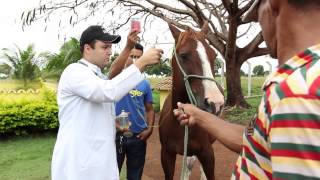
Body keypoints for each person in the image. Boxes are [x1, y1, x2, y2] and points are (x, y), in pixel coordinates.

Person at [174, 0, 320, 179]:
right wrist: (198, 115)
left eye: (258, 18)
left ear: (274, 4)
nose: (261, 27)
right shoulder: (302, 79)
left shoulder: (296, 92)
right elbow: (257, 139)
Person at [51, 25, 163, 180]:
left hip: (98, 161)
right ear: (87, 48)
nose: (109, 51)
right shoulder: (75, 71)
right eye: (104, 47)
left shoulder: (96, 76)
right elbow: (109, 91)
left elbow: (107, 84)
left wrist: (112, 121)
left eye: (110, 47)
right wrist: (141, 62)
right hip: (80, 164)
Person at [115, 43, 155, 180]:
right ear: (125, 56)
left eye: (138, 57)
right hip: (115, 136)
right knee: (111, 174)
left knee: (135, 176)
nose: (135, 60)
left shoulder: (144, 83)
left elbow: (150, 109)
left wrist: (149, 129)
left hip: (137, 137)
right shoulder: (113, 79)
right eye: (131, 56)